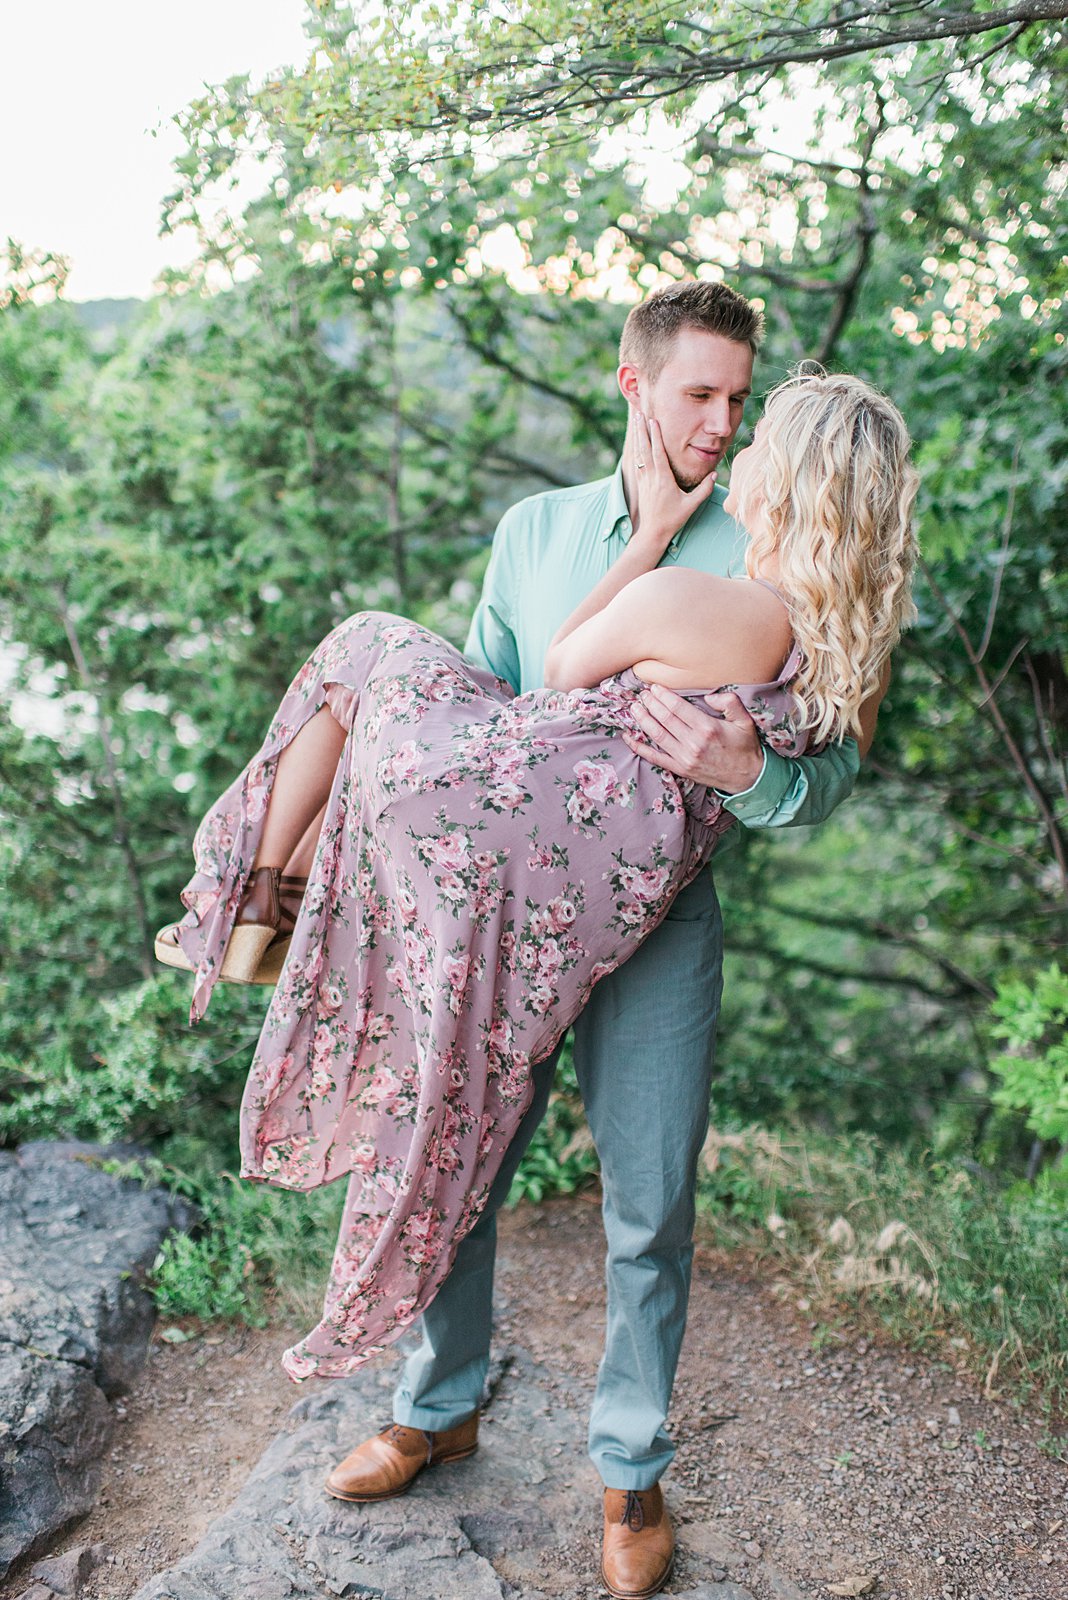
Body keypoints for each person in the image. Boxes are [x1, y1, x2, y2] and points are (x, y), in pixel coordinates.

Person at [158, 297, 916, 1600]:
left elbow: (824, 768)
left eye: (745, 407)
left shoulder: (762, 564)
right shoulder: (539, 531)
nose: (723, 427)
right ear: (636, 385)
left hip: (655, 926)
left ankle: (630, 1477)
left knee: (652, 1203)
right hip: (508, 902)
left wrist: (749, 772)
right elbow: (499, 697)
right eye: (702, 398)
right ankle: (434, 1405)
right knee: (450, 1142)